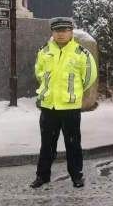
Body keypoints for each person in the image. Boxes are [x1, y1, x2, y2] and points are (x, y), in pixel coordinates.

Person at [31, 17, 97, 189]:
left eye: (64, 31)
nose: (61, 34)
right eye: (57, 31)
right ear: (52, 32)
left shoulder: (81, 53)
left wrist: (75, 92)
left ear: (71, 32)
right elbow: (39, 73)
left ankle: (76, 176)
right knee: (47, 145)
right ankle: (42, 176)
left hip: (70, 108)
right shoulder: (44, 51)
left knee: (73, 144)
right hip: (49, 107)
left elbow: (89, 76)